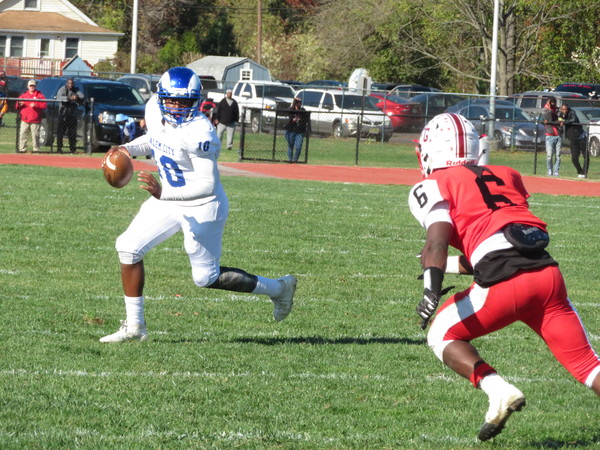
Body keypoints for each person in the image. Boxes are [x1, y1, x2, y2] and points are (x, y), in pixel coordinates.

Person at [408, 113, 600, 441]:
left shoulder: (433, 184)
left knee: (441, 333)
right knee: (588, 366)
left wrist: (430, 289)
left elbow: (436, 241)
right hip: (546, 276)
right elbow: (500, 239)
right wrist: (448, 265)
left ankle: (497, 390)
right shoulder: (505, 174)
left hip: (503, 285)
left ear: (429, 151)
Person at [99, 67, 297, 343]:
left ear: (196, 100)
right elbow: (156, 139)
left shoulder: (201, 131)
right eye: (172, 100)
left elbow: (205, 184)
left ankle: (279, 289)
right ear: (161, 97)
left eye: (185, 102)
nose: (178, 107)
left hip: (203, 205)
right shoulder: (154, 109)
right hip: (167, 198)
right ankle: (135, 327)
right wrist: (127, 149)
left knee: (205, 277)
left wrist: (162, 193)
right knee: (128, 247)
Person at [17, 79, 47, 153]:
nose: (32, 87)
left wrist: (36, 105)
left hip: (35, 120)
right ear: (28, 86)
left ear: (35, 86)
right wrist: (20, 104)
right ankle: (22, 149)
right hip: (25, 119)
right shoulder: (24, 96)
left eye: (33, 85)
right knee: (23, 134)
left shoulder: (39, 95)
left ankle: (36, 149)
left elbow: (44, 105)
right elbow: (17, 105)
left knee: (35, 136)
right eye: (30, 85)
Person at [558, 103, 588, 178]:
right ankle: (580, 171)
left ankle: (584, 172)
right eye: (563, 109)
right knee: (574, 158)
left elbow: (573, 120)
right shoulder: (561, 115)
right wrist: (560, 127)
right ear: (561, 109)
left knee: (586, 156)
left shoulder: (572, 112)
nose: (565, 111)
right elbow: (560, 123)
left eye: (566, 109)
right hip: (573, 139)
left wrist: (564, 122)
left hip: (581, 136)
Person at [56, 78, 84, 153]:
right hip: (63, 114)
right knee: (60, 132)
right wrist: (69, 98)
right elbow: (59, 97)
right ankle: (59, 148)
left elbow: (82, 96)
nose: (70, 85)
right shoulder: (62, 89)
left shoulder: (76, 90)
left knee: (72, 133)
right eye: (69, 83)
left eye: (72, 83)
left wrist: (77, 97)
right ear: (66, 83)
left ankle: (72, 149)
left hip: (72, 115)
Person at [284, 97, 310, 163]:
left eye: (300, 102)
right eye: (298, 102)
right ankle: (290, 160)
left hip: (300, 131)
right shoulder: (291, 110)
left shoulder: (303, 110)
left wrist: (308, 129)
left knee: (298, 147)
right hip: (291, 131)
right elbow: (290, 119)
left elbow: (307, 119)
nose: (300, 104)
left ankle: (295, 160)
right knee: (290, 145)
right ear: (295, 103)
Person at [540, 96, 561, 176]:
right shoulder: (545, 109)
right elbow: (547, 117)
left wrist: (552, 121)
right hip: (549, 135)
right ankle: (549, 170)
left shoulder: (557, 110)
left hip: (558, 134)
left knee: (558, 155)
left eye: (554, 102)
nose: (553, 104)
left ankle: (556, 171)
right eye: (551, 102)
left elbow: (558, 119)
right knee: (549, 155)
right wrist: (549, 108)